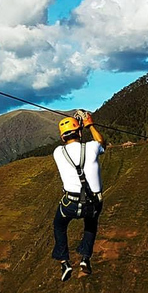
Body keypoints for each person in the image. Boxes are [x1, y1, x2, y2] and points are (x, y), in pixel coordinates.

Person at [52, 110, 106, 281]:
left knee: (59, 225)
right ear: (80, 132)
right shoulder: (92, 147)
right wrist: (90, 124)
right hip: (93, 202)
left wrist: (81, 127)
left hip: (70, 203)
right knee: (91, 224)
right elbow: (101, 142)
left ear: (62, 138)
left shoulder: (58, 152)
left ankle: (64, 261)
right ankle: (85, 259)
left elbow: (72, 146)